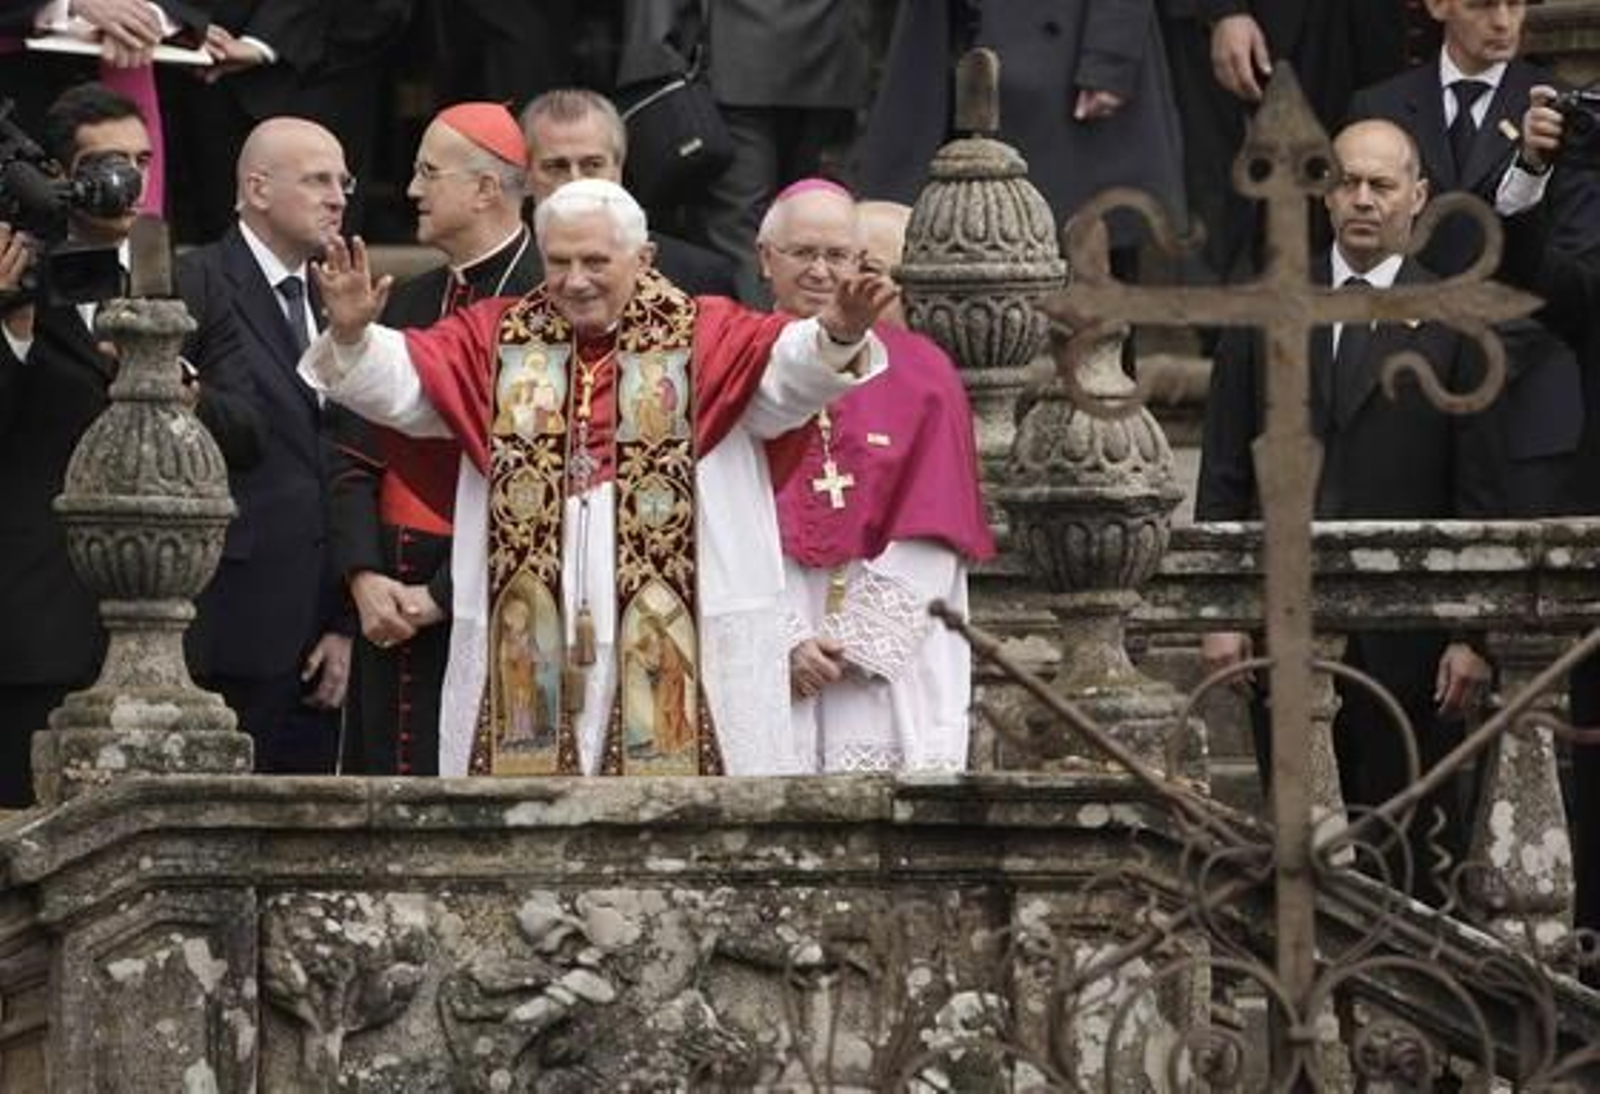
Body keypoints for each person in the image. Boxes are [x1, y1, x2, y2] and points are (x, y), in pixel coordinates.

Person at [298, 177, 896, 778]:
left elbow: (792, 373)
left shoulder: (710, 338)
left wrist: (839, 334)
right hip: (533, 646)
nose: (575, 280)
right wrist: (353, 337)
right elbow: (405, 384)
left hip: (686, 637)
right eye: (558, 262)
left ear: (644, 258)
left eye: (595, 262)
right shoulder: (497, 339)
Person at [1196, 119, 1504, 903]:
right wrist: (1220, 611)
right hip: (1283, 624)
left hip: (1411, 641)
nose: (1361, 199)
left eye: (1382, 184)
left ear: (1419, 197)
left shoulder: (1456, 320)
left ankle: (1405, 1018)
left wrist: (1473, 634)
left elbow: (1478, 488)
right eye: (1346, 182)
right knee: (1296, 851)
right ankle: (1312, 1016)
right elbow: (1227, 467)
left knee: (1407, 849)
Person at [0, 82, 262, 807]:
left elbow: (250, 431)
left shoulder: (193, 284)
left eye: (143, 160)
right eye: (106, 163)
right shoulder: (13, 275)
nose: (127, 182)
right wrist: (13, 328)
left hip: (172, 631)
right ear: (56, 175)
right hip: (36, 629)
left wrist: (178, 384)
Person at [328, 101, 539, 777]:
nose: (412, 189)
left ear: (484, 189)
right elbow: (352, 457)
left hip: (496, 606)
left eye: (428, 172)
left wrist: (442, 596)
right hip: (384, 609)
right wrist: (363, 577)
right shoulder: (409, 300)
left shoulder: (547, 301)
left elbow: (541, 481)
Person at [765, 182, 994, 773]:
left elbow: (935, 521)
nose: (825, 273)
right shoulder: (735, 354)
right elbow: (716, 518)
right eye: (803, 254)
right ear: (766, 259)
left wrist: (856, 645)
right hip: (768, 641)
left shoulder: (921, 372)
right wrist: (782, 639)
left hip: (887, 661)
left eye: (842, 258)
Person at [1347, 0, 1600, 517]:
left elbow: (1579, 269)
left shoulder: (1562, 116)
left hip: (1531, 403)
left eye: (1516, 3)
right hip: (1406, 399)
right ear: (1439, 5)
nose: (1504, 21)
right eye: (1483, 4)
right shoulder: (1378, 108)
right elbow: (1360, 260)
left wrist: (1465, 356)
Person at [177, 116, 354, 773]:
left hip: (317, 631)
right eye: (317, 179)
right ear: (257, 188)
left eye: (343, 180)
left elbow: (346, 457)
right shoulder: (195, 280)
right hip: (221, 622)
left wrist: (344, 620)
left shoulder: (340, 295)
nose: (337, 195)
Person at [856, 0, 1185, 285]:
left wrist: (1110, 58)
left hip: (1067, 60)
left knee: (1090, 255)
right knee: (937, 234)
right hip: (950, 41)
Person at [617, 0, 867, 305]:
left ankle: (760, 339)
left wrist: (656, 66)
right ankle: (811, 336)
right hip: (829, 59)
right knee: (806, 219)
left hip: (735, 62)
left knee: (739, 225)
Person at [521, 88, 736, 297]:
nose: (575, 182)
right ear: (526, 176)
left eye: (592, 165)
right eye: (556, 167)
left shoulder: (699, 277)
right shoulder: (503, 274)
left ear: (619, 169)